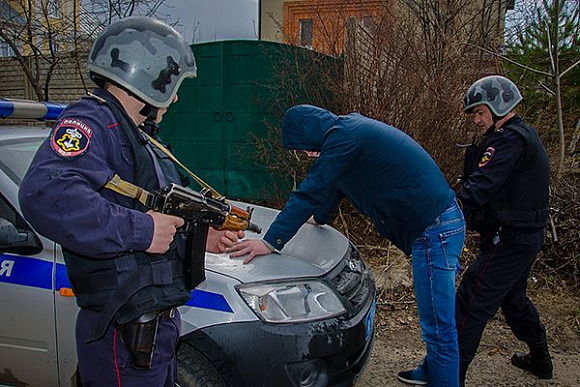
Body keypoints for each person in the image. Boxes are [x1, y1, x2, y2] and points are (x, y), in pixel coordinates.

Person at [19, 17, 243, 386]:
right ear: (147, 75)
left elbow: (150, 215)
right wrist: (142, 230)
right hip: (124, 333)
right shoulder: (92, 123)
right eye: (172, 85)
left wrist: (201, 240)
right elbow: (45, 193)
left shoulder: (136, 136)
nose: (175, 97)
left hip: (153, 328)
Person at [229, 104, 466, 387]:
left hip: (435, 230)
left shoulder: (346, 136)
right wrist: (317, 219)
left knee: (438, 326)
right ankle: (432, 371)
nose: (304, 154)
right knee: (439, 316)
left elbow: (310, 190)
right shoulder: (348, 134)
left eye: (303, 146)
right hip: (438, 225)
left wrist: (270, 241)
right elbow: (331, 189)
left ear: (312, 133)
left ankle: (443, 379)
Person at [456, 75, 552, 385]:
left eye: (480, 112)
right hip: (521, 237)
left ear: (499, 106)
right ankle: (540, 359)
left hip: (509, 239)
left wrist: (447, 208)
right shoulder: (515, 136)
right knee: (513, 300)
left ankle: (449, 375)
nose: (477, 120)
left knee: (472, 297)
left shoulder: (508, 141)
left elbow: (480, 186)